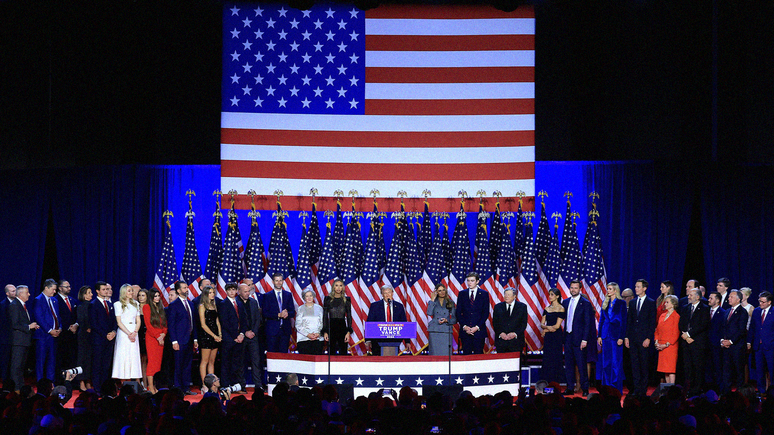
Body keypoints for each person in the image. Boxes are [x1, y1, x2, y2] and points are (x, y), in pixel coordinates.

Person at [625, 279, 656, 398]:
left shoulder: (650, 302)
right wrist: (627, 336)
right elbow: (630, 321)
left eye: (638, 287)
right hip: (633, 339)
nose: (636, 288)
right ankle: (636, 388)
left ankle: (643, 389)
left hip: (644, 339)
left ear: (644, 288)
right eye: (635, 286)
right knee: (634, 365)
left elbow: (652, 322)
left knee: (644, 364)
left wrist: (649, 338)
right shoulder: (632, 303)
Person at [562, 280, 593, 396]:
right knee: (569, 365)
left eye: (575, 288)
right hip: (568, 338)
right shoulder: (565, 302)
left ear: (580, 289)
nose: (573, 290)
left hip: (580, 340)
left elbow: (587, 323)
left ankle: (585, 388)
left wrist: (585, 339)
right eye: (571, 288)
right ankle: (570, 387)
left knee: (581, 365)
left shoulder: (585, 303)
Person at [679, 287, 710, 396]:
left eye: (691, 295)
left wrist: (689, 335)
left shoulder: (705, 308)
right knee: (687, 367)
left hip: (697, 343)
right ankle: (688, 389)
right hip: (686, 343)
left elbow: (703, 325)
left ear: (698, 296)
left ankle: (697, 390)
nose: (688, 297)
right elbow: (681, 323)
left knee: (698, 367)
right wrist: (686, 336)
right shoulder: (685, 308)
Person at [167, 281, 198, 394]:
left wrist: (195, 339)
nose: (187, 289)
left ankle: (186, 387)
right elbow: (171, 325)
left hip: (189, 340)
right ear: (178, 291)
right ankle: (179, 389)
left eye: (187, 287)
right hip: (179, 341)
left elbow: (193, 322)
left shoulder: (191, 304)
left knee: (187, 365)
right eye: (184, 288)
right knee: (178, 365)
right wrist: (174, 341)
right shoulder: (173, 305)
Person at [596, 282, 627, 392]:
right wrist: (599, 336)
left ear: (615, 290)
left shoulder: (621, 303)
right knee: (606, 363)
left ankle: (615, 388)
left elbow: (623, 322)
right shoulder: (605, 303)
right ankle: (606, 388)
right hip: (606, 336)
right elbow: (601, 321)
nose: (608, 291)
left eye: (610, 289)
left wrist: (621, 337)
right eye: (607, 289)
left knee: (616, 363)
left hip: (616, 336)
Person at [9, 285, 39, 392]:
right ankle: (16, 389)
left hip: (24, 341)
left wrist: (32, 326)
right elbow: (14, 324)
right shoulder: (14, 305)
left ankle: (21, 388)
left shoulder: (22, 305)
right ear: (20, 294)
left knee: (21, 367)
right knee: (16, 367)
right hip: (18, 341)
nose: (29, 294)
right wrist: (28, 327)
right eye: (27, 292)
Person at [89, 281, 117, 392]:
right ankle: (97, 388)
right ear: (97, 291)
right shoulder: (93, 304)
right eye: (104, 289)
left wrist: (114, 331)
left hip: (109, 340)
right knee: (97, 365)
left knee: (106, 365)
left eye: (107, 289)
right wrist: (106, 334)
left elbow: (114, 320)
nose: (106, 291)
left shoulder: (110, 304)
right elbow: (94, 324)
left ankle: (106, 388)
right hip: (99, 340)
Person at [112, 284, 142, 381]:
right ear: (124, 292)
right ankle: (122, 380)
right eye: (129, 291)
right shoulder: (117, 304)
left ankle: (133, 379)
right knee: (123, 355)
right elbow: (119, 322)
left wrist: (135, 332)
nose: (132, 293)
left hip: (134, 332)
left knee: (133, 355)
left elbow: (138, 320)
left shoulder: (136, 304)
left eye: (132, 291)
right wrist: (129, 333)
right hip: (124, 333)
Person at [366, 285, 407, 356]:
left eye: (389, 293)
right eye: (385, 293)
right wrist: (368, 340)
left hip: (394, 340)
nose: (387, 295)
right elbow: (370, 322)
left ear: (392, 293)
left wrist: (407, 341)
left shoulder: (399, 306)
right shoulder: (375, 306)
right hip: (377, 340)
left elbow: (404, 323)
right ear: (382, 295)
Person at [33, 279, 61, 381]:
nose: (55, 292)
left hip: (54, 337)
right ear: (46, 288)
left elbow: (57, 317)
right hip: (43, 336)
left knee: (52, 361)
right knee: (41, 361)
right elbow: (39, 317)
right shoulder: (38, 300)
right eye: (53, 289)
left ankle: (51, 383)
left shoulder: (54, 300)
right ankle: (40, 383)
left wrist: (59, 328)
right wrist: (50, 330)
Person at [219, 282, 246, 389]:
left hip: (239, 338)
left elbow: (244, 321)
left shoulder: (239, 303)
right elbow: (224, 322)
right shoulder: (223, 304)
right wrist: (235, 336)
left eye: (233, 290)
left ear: (236, 291)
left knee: (237, 363)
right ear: (226, 291)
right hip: (228, 339)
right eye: (229, 290)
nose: (231, 292)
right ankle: (225, 385)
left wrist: (242, 334)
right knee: (226, 363)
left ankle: (235, 385)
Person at [721, 289, 748, 394]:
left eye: (731, 297)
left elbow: (741, 330)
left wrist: (731, 341)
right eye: (729, 297)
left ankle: (741, 394)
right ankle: (726, 393)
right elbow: (723, 327)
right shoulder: (727, 311)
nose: (729, 298)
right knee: (726, 371)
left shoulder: (743, 312)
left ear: (738, 299)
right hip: (726, 347)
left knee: (738, 371)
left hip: (737, 347)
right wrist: (723, 340)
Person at [456, 272, 490, 355]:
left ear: (477, 281)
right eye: (468, 281)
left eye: (472, 281)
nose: (469, 283)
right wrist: (465, 326)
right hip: (465, 332)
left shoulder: (484, 294)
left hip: (479, 332)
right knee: (466, 356)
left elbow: (485, 313)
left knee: (478, 356)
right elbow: (458, 312)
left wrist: (477, 327)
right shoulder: (462, 294)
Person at [261, 273, 295, 353]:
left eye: (280, 280)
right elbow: (265, 313)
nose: (279, 283)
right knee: (272, 354)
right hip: (272, 331)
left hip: (285, 331)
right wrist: (278, 315)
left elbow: (292, 312)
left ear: (283, 281)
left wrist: (287, 314)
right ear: (273, 282)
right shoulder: (267, 296)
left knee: (283, 356)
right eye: (276, 281)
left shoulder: (288, 295)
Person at [238, 282, 263, 390]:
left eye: (248, 291)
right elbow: (235, 320)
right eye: (245, 291)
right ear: (239, 292)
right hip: (241, 336)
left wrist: (253, 331)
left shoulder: (253, 302)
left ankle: (258, 385)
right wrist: (244, 332)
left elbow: (258, 319)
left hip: (253, 336)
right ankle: (241, 385)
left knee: (256, 361)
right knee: (241, 361)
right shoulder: (236, 302)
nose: (248, 293)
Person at [747, 291, 773, 394]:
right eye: (759, 301)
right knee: (759, 371)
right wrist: (749, 342)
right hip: (758, 346)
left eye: (763, 302)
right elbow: (752, 328)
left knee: (772, 370)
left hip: (770, 346)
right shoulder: (757, 311)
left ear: (769, 302)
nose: (760, 304)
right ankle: (761, 391)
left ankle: (772, 392)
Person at [143, 289, 167, 394]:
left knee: (158, 364)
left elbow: (165, 324)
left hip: (161, 338)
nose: (157, 298)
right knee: (152, 363)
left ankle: (156, 386)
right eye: (155, 296)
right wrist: (158, 336)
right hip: (152, 339)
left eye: (158, 296)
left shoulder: (161, 307)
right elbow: (149, 325)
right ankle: (151, 387)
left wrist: (163, 334)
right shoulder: (147, 307)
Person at [197, 285, 221, 389]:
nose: (212, 294)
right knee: (204, 361)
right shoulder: (202, 306)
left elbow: (217, 321)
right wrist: (214, 335)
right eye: (210, 293)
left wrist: (219, 334)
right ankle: (204, 384)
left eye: (213, 292)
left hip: (215, 336)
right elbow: (203, 324)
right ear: (206, 294)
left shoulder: (214, 305)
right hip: (206, 336)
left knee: (212, 361)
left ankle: (212, 384)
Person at [540, 288, 565, 383]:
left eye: (552, 294)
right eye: (549, 294)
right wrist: (545, 329)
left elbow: (557, 326)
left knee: (555, 358)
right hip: (548, 338)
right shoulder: (547, 309)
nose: (550, 296)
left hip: (556, 337)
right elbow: (542, 324)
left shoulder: (561, 308)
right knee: (547, 358)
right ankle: (546, 380)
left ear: (557, 296)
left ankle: (555, 381)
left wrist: (546, 330)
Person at [322, 279, 353, 356]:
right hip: (331, 327)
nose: (338, 288)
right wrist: (325, 331)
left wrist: (348, 332)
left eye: (340, 285)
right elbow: (325, 316)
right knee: (331, 352)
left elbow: (349, 316)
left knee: (343, 352)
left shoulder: (347, 300)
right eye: (336, 285)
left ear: (343, 287)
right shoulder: (327, 299)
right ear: (333, 287)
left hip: (342, 327)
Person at [55, 280, 78, 381]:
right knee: (60, 359)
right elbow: (56, 316)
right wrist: (67, 327)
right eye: (66, 287)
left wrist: (76, 325)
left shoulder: (72, 300)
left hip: (73, 335)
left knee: (71, 358)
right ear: (60, 288)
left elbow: (77, 315)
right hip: (61, 335)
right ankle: (60, 381)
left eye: (69, 287)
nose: (69, 288)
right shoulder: (55, 300)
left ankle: (70, 381)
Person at [654, 295, 680, 384]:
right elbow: (657, 330)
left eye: (667, 302)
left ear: (673, 304)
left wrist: (665, 345)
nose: (665, 304)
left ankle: (671, 389)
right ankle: (667, 390)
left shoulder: (676, 316)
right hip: (661, 346)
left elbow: (675, 333)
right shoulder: (662, 315)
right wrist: (657, 342)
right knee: (665, 370)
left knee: (670, 369)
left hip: (670, 347)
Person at [492, 288, 527, 353]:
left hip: (516, 341)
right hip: (501, 341)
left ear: (514, 296)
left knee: (515, 362)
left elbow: (523, 324)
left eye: (508, 294)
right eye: (505, 294)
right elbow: (495, 323)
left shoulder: (522, 307)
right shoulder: (498, 307)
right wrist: (501, 333)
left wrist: (515, 334)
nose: (506, 296)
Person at [426, 283, 456, 356]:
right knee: (434, 354)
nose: (442, 292)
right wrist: (432, 299)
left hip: (446, 331)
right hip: (434, 331)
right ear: (436, 292)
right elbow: (429, 313)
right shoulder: (433, 302)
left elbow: (454, 320)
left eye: (443, 290)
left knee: (446, 354)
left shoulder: (451, 303)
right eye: (439, 291)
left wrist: (447, 320)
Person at [706, 291, 727, 394]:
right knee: (708, 369)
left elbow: (723, 329)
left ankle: (719, 391)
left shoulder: (723, 313)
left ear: (717, 300)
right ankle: (709, 390)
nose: (708, 300)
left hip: (716, 346)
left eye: (711, 298)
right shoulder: (706, 311)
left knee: (718, 369)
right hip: (706, 345)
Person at [75, 285, 93, 392]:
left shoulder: (92, 305)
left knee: (89, 359)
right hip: (83, 336)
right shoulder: (81, 306)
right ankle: (81, 381)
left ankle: (88, 380)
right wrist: (88, 327)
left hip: (91, 336)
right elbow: (81, 319)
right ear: (84, 295)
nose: (91, 295)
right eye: (89, 293)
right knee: (82, 359)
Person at [297, 290, 324, 355]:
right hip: (304, 339)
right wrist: (308, 335)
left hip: (317, 339)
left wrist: (318, 334)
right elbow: (298, 325)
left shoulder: (319, 308)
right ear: (304, 297)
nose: (309, 298)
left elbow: (322, 323)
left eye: (310, 296)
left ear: (313, 296)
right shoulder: (300, 309)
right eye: (307, 296)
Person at [0, 284, 17, 384]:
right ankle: (5, 382)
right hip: (6, 339)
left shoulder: (17, 303)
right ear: (7, 293)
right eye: (12, 291)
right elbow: (4, 323)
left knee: (13, 362)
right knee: (5, 361)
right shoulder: (3, 305)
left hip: (15, 338)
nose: (15, 293)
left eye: (15, 290)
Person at [136, 288, 149, 390]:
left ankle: (146, 383)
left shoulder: (150, 307)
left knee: (145, 360)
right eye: (139, 295)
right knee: (138, 360)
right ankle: (139, 383)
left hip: (148, 337)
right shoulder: (135, 307)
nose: (140, 297)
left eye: (143, 295)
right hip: (137, 337)